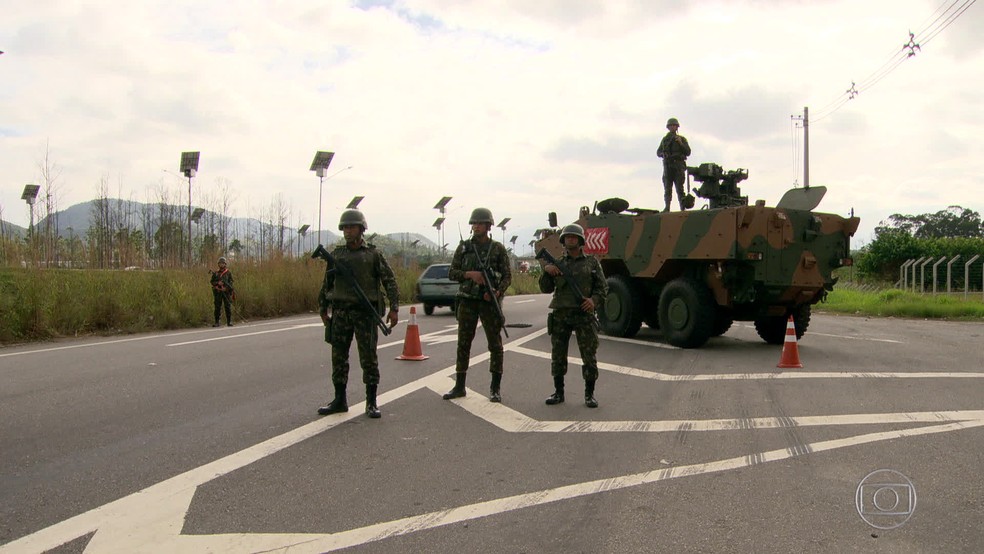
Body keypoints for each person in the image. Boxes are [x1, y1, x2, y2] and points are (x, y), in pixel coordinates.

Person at [317, 209, 400, 419]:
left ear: (361, 229)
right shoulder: (336, 255)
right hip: (341, 313)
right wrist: (322, 308)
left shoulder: (373, 255)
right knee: (338, 357)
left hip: (365, 313)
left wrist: (394, 308)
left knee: (369, 358)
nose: (347, 231)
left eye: (351, 227)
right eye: (344, 227)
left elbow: (389, 280)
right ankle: (339, 399)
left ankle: (371, 402)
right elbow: (327, 283)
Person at [443, 207, 512, 403]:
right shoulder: (464, 247)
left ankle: (495, 388)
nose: (476, 227)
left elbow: (507, 276)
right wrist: (469, 275)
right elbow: (452, 273)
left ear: (489, 226)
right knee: (463, 343)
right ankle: (459, 386)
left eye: (480, 223)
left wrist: (498, 291)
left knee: (495, 345)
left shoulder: (497, 249)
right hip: (467, 300)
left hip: (489, 302)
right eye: (474, 223)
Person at [539, 224, 608, 407]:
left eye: (573, 237)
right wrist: (546, 271)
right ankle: (558, 392)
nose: (570, 239)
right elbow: (545, 288)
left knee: (589, 355)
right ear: (563, 241)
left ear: (580, 240)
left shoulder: (592, 263)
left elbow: (603, 288)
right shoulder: (557, 263)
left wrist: (593, 301)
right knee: (558, 355)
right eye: (567, 237)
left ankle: (589, 394)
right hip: (561, 314)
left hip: (584, 314)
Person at [656, 117, 692, 212]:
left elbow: (688, 152)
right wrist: (663, 154)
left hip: (678, 166)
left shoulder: (682, 139)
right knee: (668, 188)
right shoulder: (665, 140)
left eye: (674, 126)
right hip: (668, 166)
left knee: (680, 189)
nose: (672, 127)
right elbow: (658, 152)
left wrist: (680, 143)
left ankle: (682, 208)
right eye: (671, 126)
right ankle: (667, 207)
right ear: (668, 127)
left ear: (677, 127)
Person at [210, 256, 234, 327]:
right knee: (217, 307)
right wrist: (218, 283)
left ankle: (229, 321)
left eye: (223, 263)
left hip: (226, 292)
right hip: (218, 292)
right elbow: (212, 282)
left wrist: (226, 288)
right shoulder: (216, 273)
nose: (221, 265)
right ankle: (217, 322)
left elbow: (231, 282)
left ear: (225, 264)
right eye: (220, 263)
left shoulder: (228, 273)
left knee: (227, 306)